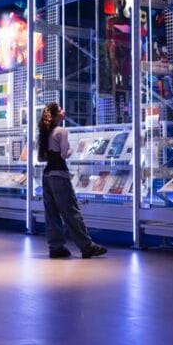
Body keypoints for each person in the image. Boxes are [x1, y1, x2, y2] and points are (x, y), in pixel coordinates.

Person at [37, 102, 107, 259]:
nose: (64, 111)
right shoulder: (61, 131)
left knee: (52, 213)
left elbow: (41, 157)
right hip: (60, 175)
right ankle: (86, 246)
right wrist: (70, 149)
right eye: (60, 109)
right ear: (55, 115)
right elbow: (64, 155)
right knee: (71, 211)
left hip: (47, 176)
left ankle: (56, 247)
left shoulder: (44, 133)